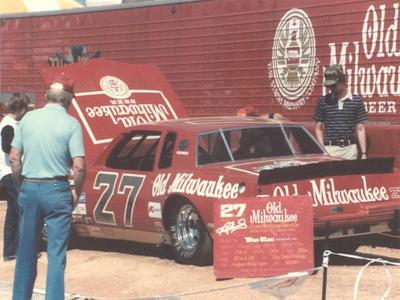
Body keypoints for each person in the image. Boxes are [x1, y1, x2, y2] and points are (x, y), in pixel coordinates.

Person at [9, 74, 87, 300]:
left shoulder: (28, 119)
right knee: (56, 255)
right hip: (57, 190)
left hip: (30, 187)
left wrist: (21, 184)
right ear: (68, 100)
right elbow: (79, 166)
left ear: (46, 96)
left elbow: (15, 157)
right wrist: (76, 192)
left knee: (26, 252)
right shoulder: (71, 124)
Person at [313, 65, 368, 160]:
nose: (331, 88)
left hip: (350, 150)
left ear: (342, 81)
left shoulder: (356, 101)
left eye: (334, 85)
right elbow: (318, 128)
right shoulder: (323, 101)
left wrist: (363, 153)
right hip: (330, 149)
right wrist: (323, 150)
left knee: (349, 175)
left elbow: (360, 128)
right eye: (329, 86)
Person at [1, 93, 29, 262]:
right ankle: (21, 249)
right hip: (10, 173)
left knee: (13, 212)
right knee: (23, 209)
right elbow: (7, 147)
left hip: (8, 173)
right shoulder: (9, 125)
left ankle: (10, 250)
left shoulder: (10, 123)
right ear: (19, 109)